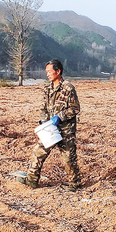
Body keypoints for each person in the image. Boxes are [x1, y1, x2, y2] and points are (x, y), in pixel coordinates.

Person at [18, 59, 81, 191]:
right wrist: (44, 121)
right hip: (51, 129)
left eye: (49, 71)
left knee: (68, 158)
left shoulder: (68, 88)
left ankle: (74, 183)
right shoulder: (47, 89)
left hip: (66, 130)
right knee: (38, 151)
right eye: (46, 71)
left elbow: (75, 108)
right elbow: (43, 108)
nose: (47, 74)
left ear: (58, 71)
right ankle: (32, 180)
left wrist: (60, 117)